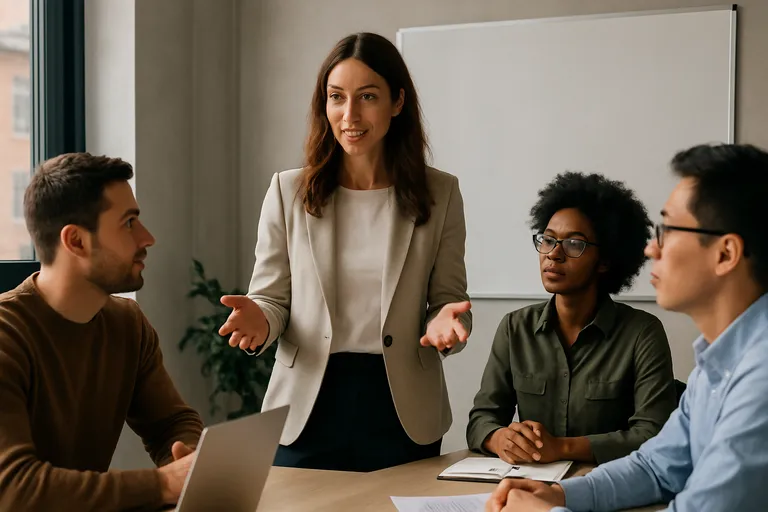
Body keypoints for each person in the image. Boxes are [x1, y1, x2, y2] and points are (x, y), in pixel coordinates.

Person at [219, 32, 472, 472]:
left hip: (401, 405)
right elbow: (271, 299)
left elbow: (450, 299)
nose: (349, 114)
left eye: (367, 96)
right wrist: (258, 319)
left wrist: (448, 321)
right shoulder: (288, 190)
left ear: (397, 102)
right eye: (336, 97)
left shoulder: (441, 192)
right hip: (308, 402)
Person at [486, 143, 768, 512]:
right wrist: (559, 495)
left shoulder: (761, 376)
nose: (651, 249)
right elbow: (656, 467)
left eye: (667, 230)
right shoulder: (716, 365)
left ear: (725, 254)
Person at [0, 153, 204, 511]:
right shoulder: (6, 335)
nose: (148, 238)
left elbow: (172, 422)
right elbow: (14, 489)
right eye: (128, 224)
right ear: (76, 241)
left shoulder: (128, 324)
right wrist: (162, 485)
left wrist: (185, 457)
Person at [468, 172, 677, 466]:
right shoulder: (515, 328)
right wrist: (500, 438)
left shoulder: (642, 333)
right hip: (528, 484)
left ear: (605, 261)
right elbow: (482, 419)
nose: (553, 254)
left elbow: (653, 433)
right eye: (548, 240)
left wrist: (562, 448)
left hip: (613, 484)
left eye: (574, 244)